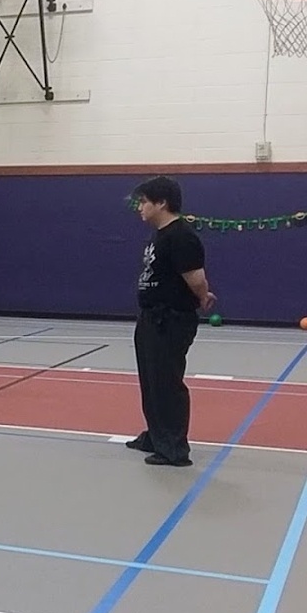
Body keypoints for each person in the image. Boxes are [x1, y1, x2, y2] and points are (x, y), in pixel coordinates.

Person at [125, 176, 215, 467]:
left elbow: (196, 278)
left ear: (161, 203)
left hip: (171, 319)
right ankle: (156, 435)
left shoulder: (181, 236)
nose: (140, 207)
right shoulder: (159, 235)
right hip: (151, 317)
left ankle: (174, 447)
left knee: (166, 382)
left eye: (144, 201)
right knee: (151, 381)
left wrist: (202, 296)